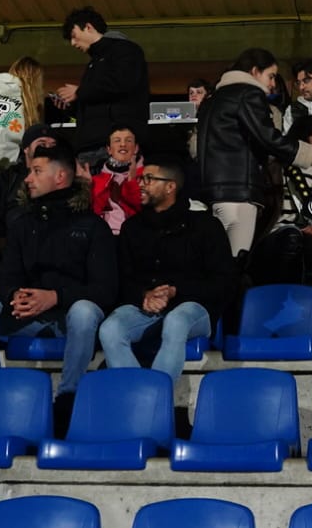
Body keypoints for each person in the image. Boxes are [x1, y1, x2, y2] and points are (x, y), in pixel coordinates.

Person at [0, 141, 116, 410]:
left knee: (84, 311)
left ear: (60, 176)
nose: (27, 179)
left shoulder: (92, 226)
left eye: (37, 171)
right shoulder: (22, 223)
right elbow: (6, 277)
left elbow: (106, 289)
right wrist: (14, 295)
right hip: (30, 315)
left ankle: (68, 398)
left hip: (71, 317)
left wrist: (55, 297)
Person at [98, 156, 233, 387]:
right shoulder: (132, 228)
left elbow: (223, 283)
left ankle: (157, 398)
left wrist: (175, 291)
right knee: (111, 328)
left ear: (170, 186)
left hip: (194, 308)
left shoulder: (205, 226)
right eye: (140, 178)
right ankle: (138, 396)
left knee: (177, 320)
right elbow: (121, 279)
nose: (140, 184)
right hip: (147, 308)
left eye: (149, 179)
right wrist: (144, 295)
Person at [198, 48, 312, 257]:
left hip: (216, 193)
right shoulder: (247, 93)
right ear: (254, 71)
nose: (272, 84)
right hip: (240, 193)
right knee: (237, 261)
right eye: (270, 76)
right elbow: (267, 136)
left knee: (220, 261)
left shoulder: (213, 99)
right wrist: (309, 153)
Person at [251, 115, 312, 286]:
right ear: (302, 138)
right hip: (278, 232)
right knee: (292, 236)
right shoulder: (277, 167)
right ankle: (284, 301)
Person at [56, 6, 151, 153]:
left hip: (112, 144)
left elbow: (121, 83)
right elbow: (96, 103)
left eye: (74, 35)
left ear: (88, 27)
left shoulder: (126, 51)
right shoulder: (93, 63)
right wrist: (72, 105)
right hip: (90, 144)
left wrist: (80, 92)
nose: (73, 43)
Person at [90, 125, 144, 235]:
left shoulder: (147, 175)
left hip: (134, 235)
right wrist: (88, 187)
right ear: (109, 149)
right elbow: (94, 212)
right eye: (117, 141)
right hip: (104, 236)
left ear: (136, 148)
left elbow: (143, 209)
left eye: (128, 140)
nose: (123, 144)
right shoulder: (96, 179)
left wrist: (132, 182)